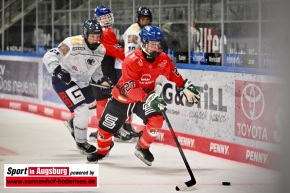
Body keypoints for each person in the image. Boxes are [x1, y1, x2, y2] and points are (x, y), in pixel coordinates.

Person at [87, 25, 200, 166]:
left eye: (157, 43)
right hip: (122, 99)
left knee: (157, 119)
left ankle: (143, 147)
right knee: (104, 130)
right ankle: (102, 151)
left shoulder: (163, 59)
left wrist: (183, 86)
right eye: (152, 43)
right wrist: (149, 98)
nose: (155, 47)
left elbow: (172, 74)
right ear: (144, 43)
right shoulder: (131, 61)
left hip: (143, 99)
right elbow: (130, 89)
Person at [43, 19, 106, 154]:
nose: (95, 39)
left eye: (97, 36)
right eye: (92, 36)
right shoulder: (72, 42)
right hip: (64, 80)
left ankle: (73, 123)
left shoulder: (101, 49)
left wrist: (101, 79)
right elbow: (50, 55)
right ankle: (81, 142)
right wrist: (58, 70)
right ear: (85, 34)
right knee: (82, 110)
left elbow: (95, 69)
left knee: (91, 108)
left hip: (83, 82)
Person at [89, 5, 137, 142]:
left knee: (101, 99)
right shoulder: (106, 32)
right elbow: (115, 51)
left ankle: (102, 129)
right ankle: (113, 129)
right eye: (103, 17)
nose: (106, 19)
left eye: (107, 17)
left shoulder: (95, 30)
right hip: (104, 68)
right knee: (113, 98)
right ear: (97, 18)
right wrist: (130, 57)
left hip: (94, 68)